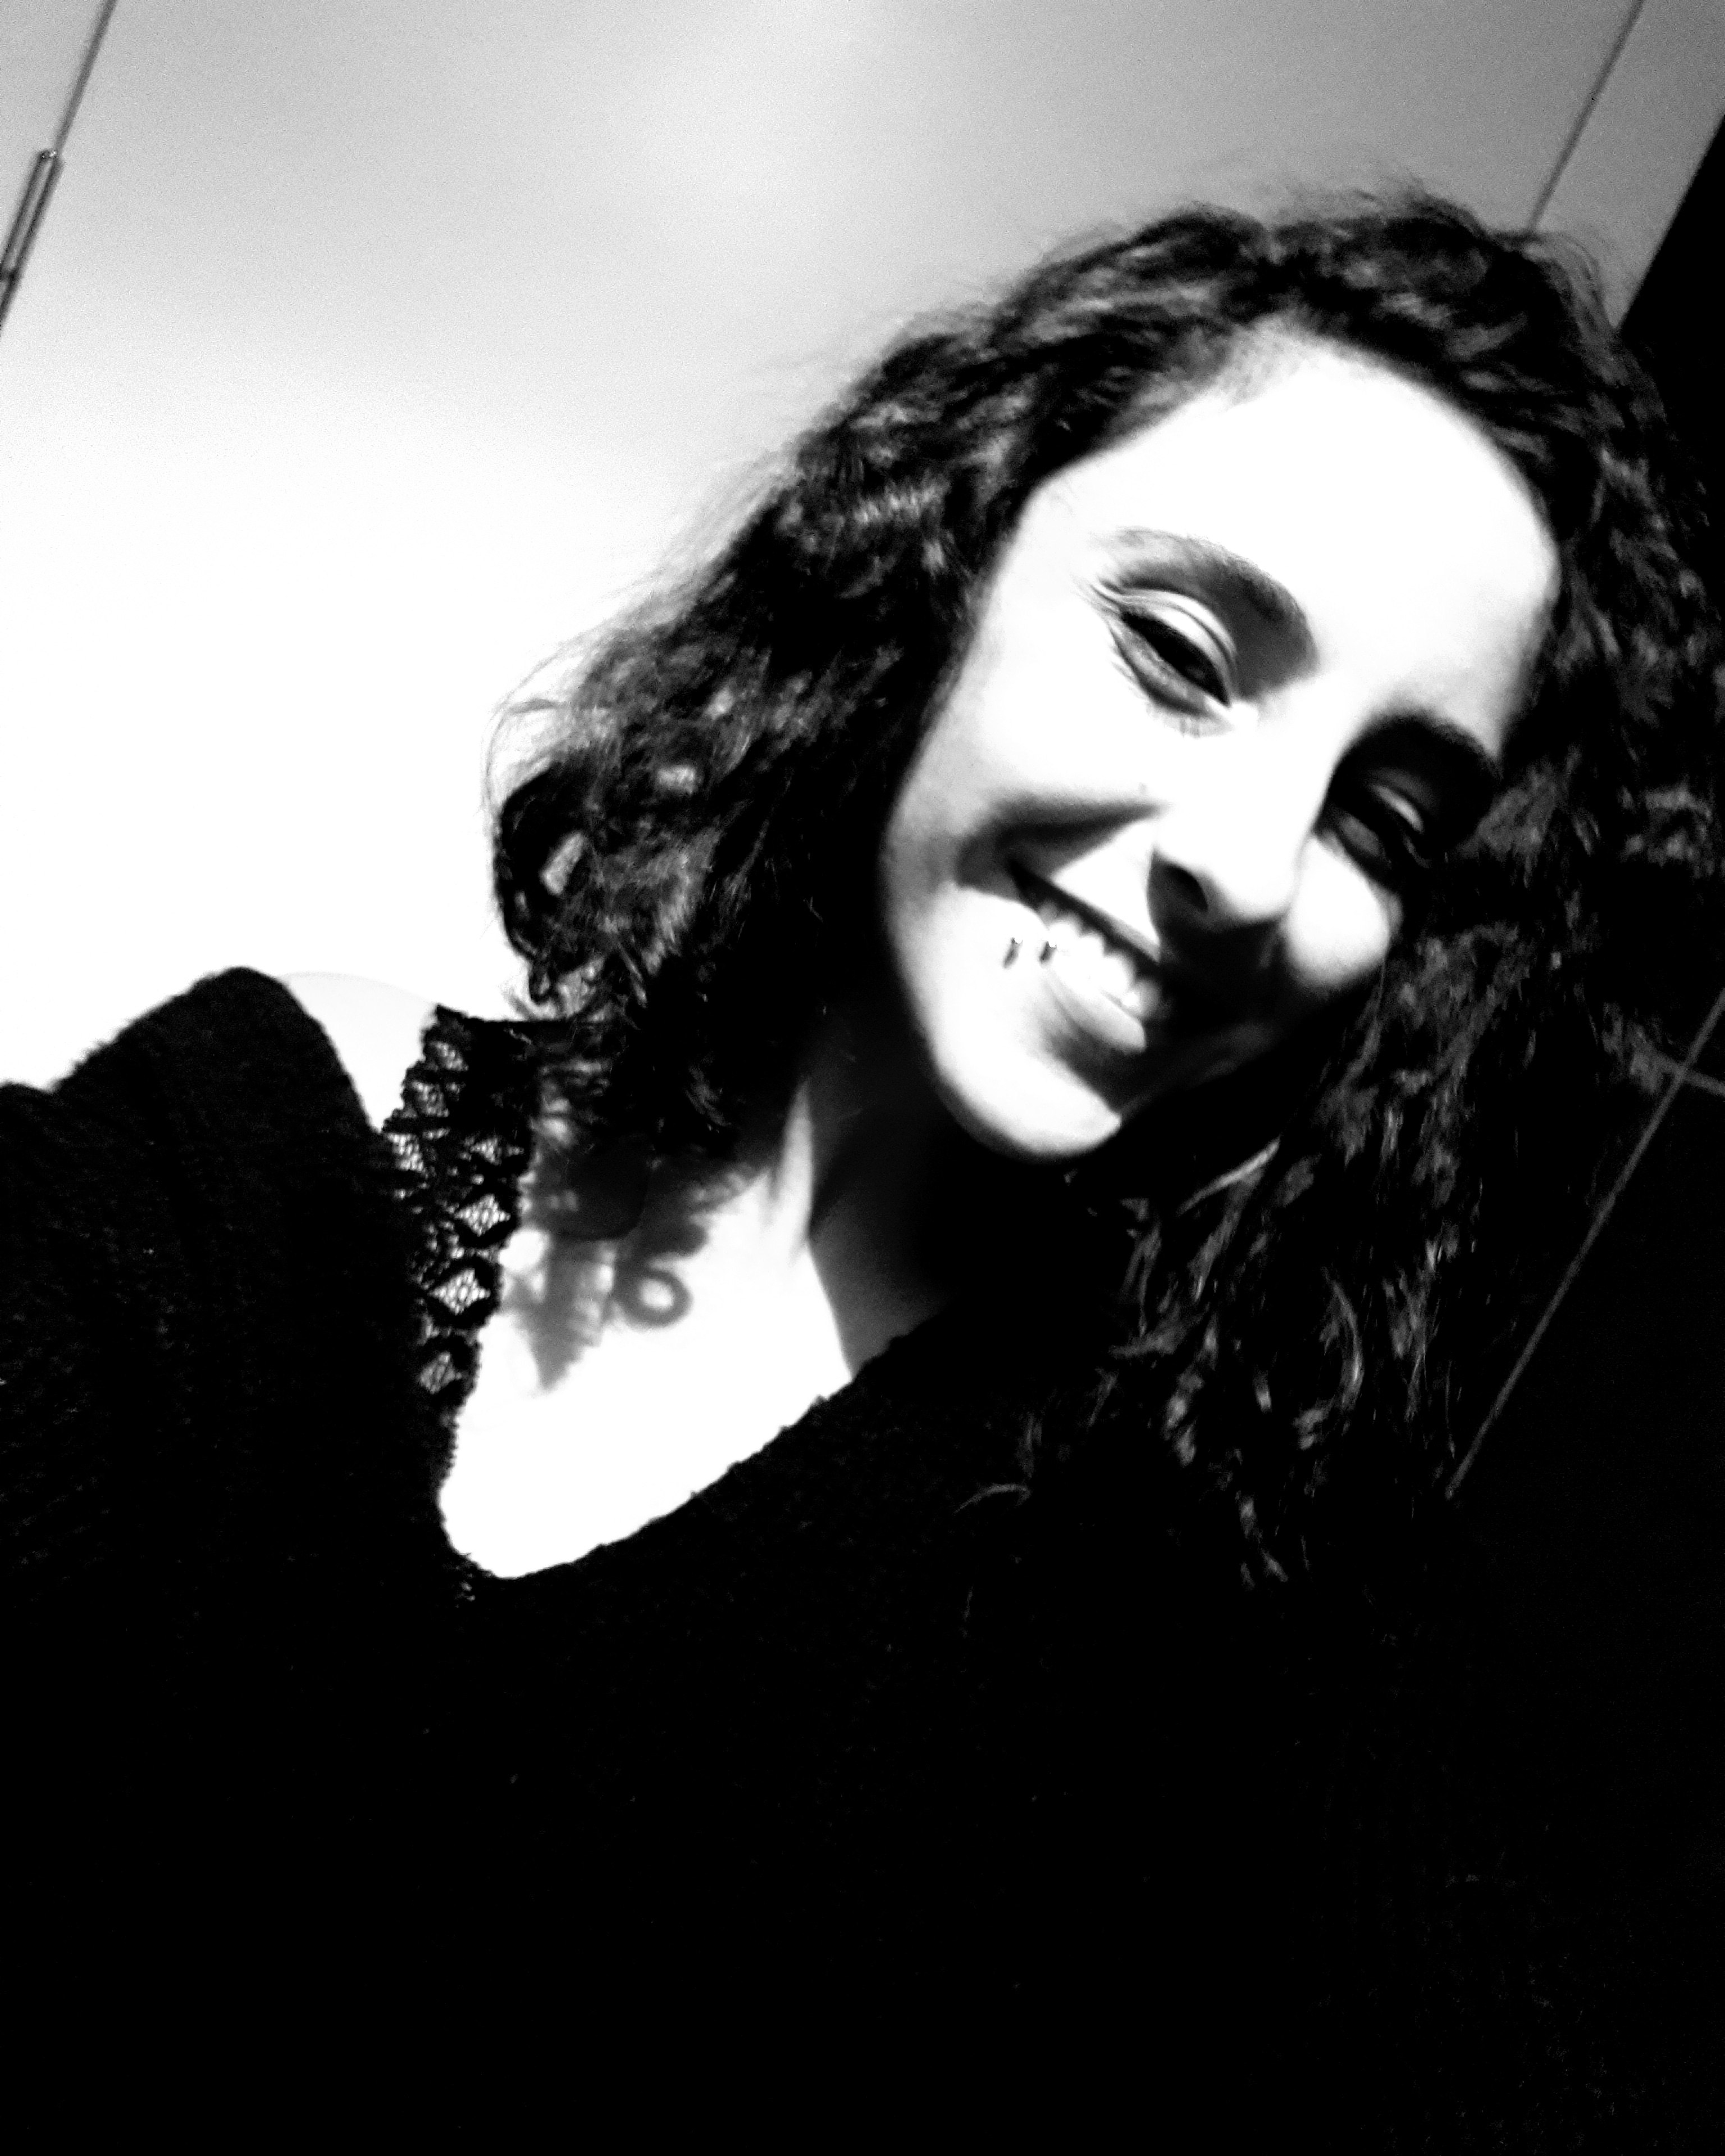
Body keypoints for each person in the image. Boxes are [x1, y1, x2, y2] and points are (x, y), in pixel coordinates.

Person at [3, 193, 1719, 2131]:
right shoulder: (276, 1151)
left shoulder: (1215, 1553)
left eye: (1384, 825)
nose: (1250, 866)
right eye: (1181, 651)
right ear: (933, 577)